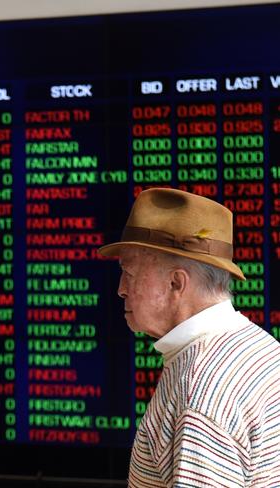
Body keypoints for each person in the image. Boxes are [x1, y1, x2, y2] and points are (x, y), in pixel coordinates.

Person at [98, 188, 280, 487]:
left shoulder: (198, 392)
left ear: (175, 282)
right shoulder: (262, 348)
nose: (121, 288)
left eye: (128, 272)